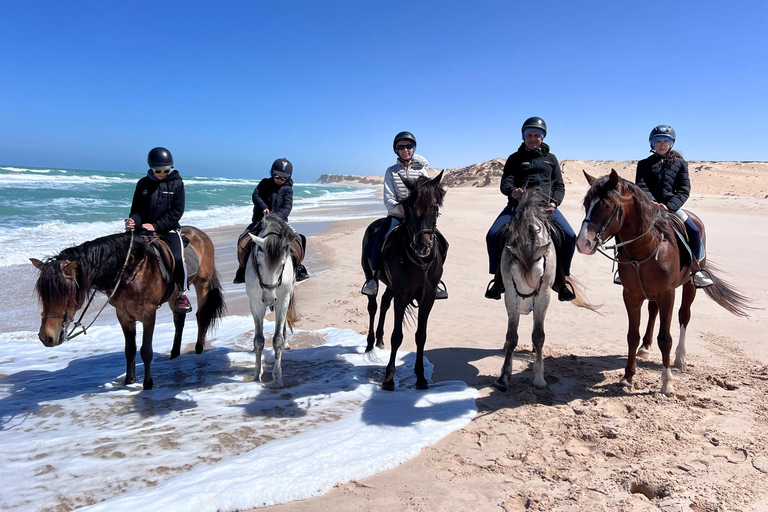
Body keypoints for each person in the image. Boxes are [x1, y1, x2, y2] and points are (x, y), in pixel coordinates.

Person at [485, 117, 576, 302]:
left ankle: (563, 280)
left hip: (546, 207)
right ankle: (497, 279)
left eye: (537, 135)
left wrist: (554, 203)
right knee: (493, 235)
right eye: (529, 135)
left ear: (542, 137)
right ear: (524, 137)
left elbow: (559, 186)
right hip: (519, 206)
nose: (533, 138)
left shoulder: (551, 159)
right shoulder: (515, 158)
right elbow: (505, 183)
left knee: (569, 236)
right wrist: (513, 191)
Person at [361, 131, 448, 299]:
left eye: (409, 146)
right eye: (401, 147)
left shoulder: (421, 170)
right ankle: (374, 280)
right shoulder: (391, 172)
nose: (405, 149)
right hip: (397, 215)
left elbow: (427, 193)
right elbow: (388, 199)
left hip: (418, 217)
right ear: (396, 150)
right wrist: (399, 208)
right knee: (380, 240)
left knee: (442, 242)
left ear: (414, 148)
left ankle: (436, 279)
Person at [634, 124, 713, 288]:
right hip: (649, 207)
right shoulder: (644, 164)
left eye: (665, 141)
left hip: (672, 207)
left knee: (694, 231)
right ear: (652, 144)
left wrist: (669, 206)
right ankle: (623, 267)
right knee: (625, 226)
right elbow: (641, 186)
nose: (661, 145)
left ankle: (696, 270)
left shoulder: (680, 164)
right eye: (658, 142)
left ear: (671, 143)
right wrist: (652, 203)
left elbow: (684, 189)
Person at [125, 147, 192, 314]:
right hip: (143, 229)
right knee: (123, 254)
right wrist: (133, 221)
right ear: (151, 168)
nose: (162, 173)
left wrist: (156, 226)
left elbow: (177, 212)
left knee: (178, 258)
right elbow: (136, 210)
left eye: (165, 170)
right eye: (158, 171)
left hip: (168, 229)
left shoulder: (177, 184)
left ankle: (182, 295)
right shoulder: (142, 184)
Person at [232, 158, 310, 284]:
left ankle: (298, 266)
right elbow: (256, 195)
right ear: (272, 173)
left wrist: (275, 218)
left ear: (288, 178)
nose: (279, 179)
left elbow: (287, 207)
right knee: (243, 238)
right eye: (276, 176)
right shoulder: (264, 183)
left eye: (283, 178)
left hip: (280, 223)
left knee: (299, 239)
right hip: (260, 221)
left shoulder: (288, 190)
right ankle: (242, 268)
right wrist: (263, 207)